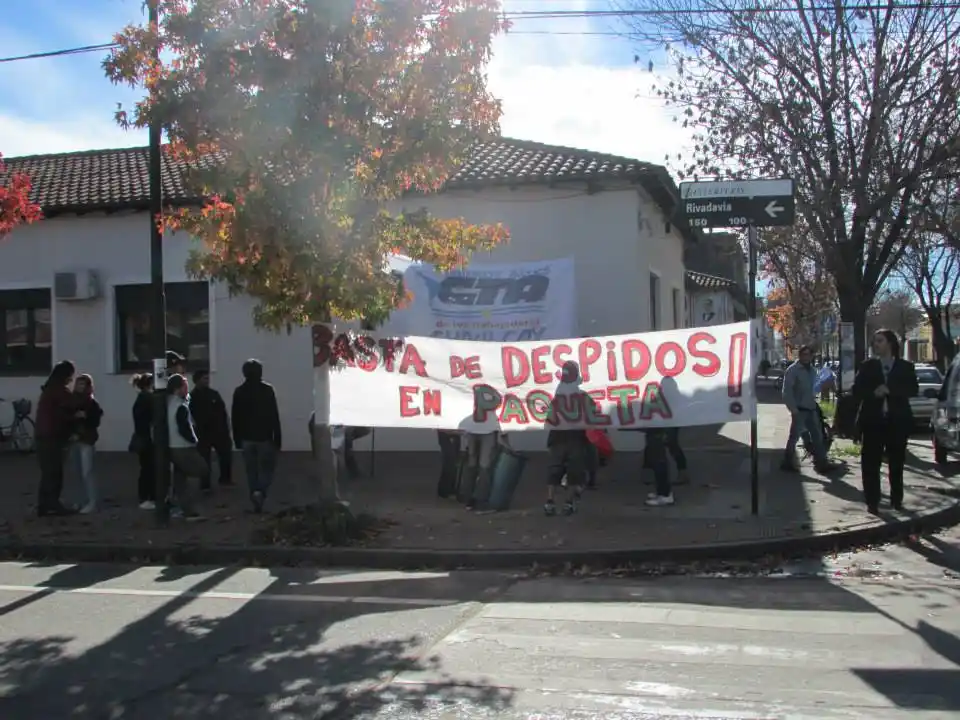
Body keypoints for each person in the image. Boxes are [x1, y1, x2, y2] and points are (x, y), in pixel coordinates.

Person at [853, 329, 919, 513]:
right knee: (870, 463)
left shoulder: (905, 366)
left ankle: (896, 500)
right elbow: (856, 391)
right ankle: (872, 502)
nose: (876, 344)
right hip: (872, 422)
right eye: (874, 341)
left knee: (896, 463)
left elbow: (913, 389)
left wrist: (891, 390)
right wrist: (873, 393)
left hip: (897, 422)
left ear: (890, 343)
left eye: (880, 341)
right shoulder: (868, 366)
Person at [231, 359, 282, 513]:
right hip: (264, 437)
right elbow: (274, 415)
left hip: (246, 438)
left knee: (251, 470)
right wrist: (278, 437)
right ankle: (261, 491)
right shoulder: (267, 390)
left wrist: (236, 438)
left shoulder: (239, 391)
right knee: (267, 469)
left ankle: (254, 493)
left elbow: (235, 417)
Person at [35, 360, 80, 517]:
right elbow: (70, 407)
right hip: (52, 436)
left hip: (43, 435)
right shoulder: (59, 391)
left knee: (47, 472)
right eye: (70, 376)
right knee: (54, 472)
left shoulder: (49, 389)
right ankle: (53, 504)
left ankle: (44, 504)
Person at [781, 345, 836, 474]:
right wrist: (793, 409)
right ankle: (787, 462)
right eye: (803, 354)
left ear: (811, 356)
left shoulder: (812, 370)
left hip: (811, 408)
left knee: (817, 436)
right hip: (799, 410)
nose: (806, 357)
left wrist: (825, 384)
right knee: (794, 437)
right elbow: (787, 392)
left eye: (808, 355)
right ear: (800, 355)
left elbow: (815, 388)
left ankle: (822, 462)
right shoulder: (793, 370)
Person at [544, 361, 589, 516]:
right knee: (574, 471)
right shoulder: (582, 396)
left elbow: (549, 418)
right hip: (575, 438)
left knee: (554, 470)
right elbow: (592, 415)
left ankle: (550, 502)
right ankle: (568, 503)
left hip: (558, 437)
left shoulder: (556, 396)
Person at [166, 374, 205, 520]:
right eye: (185, 386)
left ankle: (179, 507)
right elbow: (184, 427)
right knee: (200, 470)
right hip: (183, 446)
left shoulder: (168, 403)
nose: (187, 389)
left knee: (180, 478)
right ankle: (190, 509)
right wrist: (194, 440)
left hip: (172, 445)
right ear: (178, 388)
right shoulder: (180, 406)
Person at [190, 369, 233, 492]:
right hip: (203, 433)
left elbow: (223, 411)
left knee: (225, 454)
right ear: (197, 380)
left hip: (219, 431)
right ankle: (205, 484)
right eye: (204, 378)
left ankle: (225, 479)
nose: (207, 381)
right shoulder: (192, 397)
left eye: (207, 378)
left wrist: (227, 426)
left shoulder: (214, 394)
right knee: (204, 459)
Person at [67, 374, 103, 514]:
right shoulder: (70, 401)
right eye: (78, 384)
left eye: (83, 384)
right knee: (76, 472)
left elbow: (95, 421)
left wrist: (86, 417)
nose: (80, 387)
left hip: (86, 440)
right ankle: (79, 500)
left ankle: (92, 501)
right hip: (73, 439)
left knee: (87, 472)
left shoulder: (92, 403)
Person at [130, 373, 156, 509]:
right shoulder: (147, 398)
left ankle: (147, 496)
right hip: (147, 439)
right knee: (148, 468)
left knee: (147, 468)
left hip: (144, 437)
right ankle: (146, 497)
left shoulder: (142, 398)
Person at [436, 430, 461, 499]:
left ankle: (449, 489)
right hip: (447, 433)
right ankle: (444, 490)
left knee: (453, 462)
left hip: (454, 434)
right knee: (449, 461)